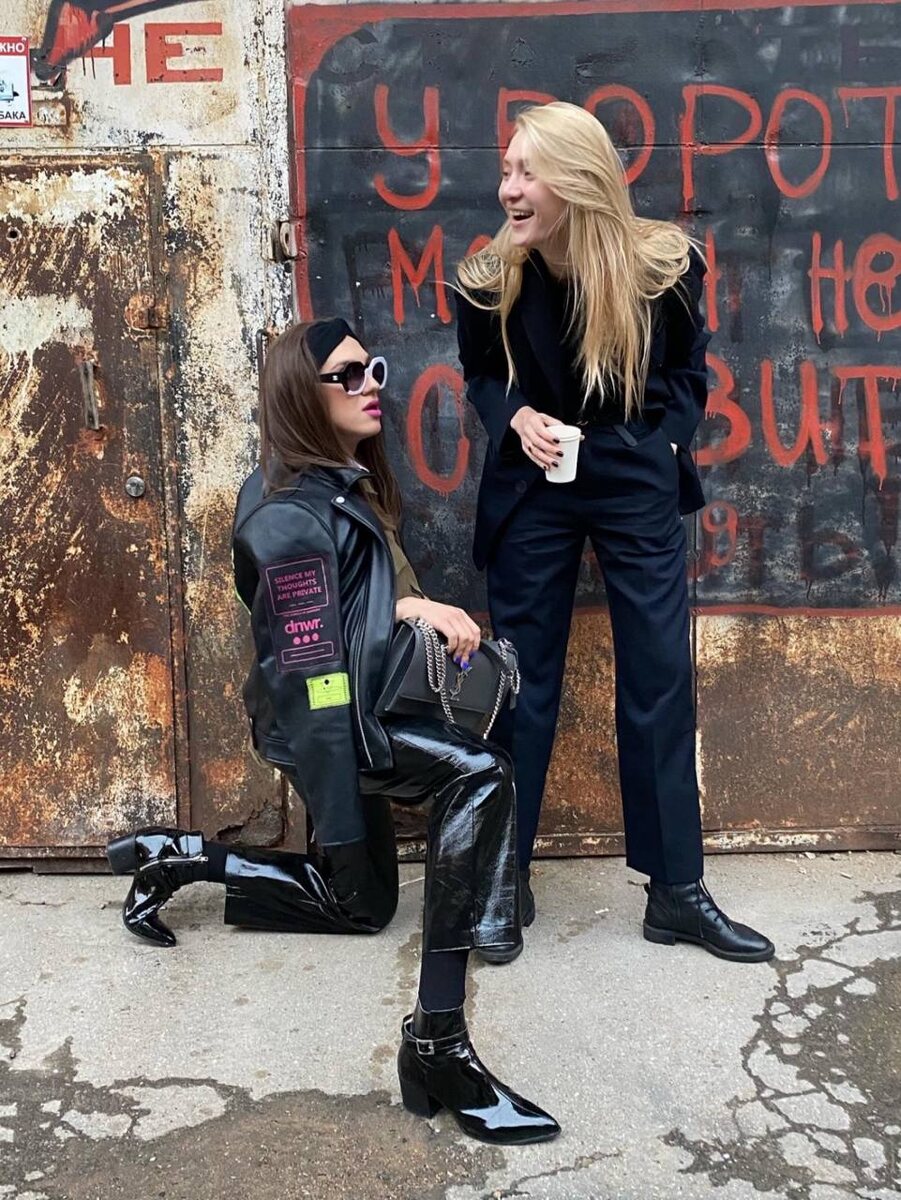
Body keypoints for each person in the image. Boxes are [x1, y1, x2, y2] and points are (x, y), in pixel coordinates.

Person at [105, 318, 559, 1146]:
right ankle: (437, 1044)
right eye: (347, 376)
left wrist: (404, 610)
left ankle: (178, 858)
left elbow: (350, 616)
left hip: (359, 707)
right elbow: (310, 674)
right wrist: (343, 800)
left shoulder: (343, 483)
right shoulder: (286, 517)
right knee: (479, 773)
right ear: (300, 397)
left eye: (371, 368)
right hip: (327, 723)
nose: (371, 384)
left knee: (361, 907)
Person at [455, 101, 773, 965]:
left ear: (578, 181)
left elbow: (687, 372)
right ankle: (502, 879)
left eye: (527, 172)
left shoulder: (663, 267)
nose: (508, 188)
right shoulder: (488, 278)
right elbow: (479, 375)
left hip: (632, 476)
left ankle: (675, 892)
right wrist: (515, 416)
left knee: (659, 677)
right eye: (506, 170)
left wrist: (656, 443)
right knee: (520, 685)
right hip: (534, 485)